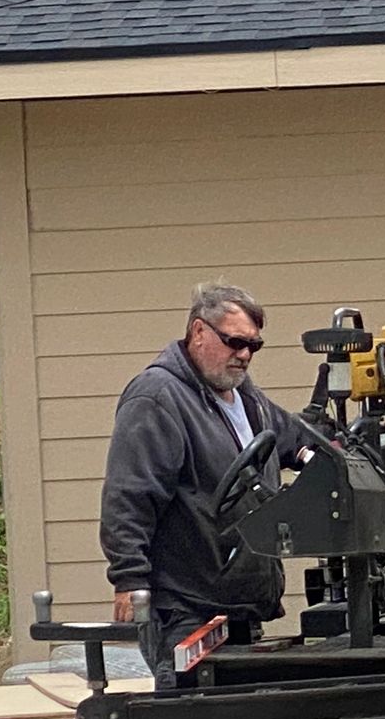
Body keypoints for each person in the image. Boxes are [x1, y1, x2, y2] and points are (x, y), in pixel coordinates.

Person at [100, 283, 312, 685]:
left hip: (240, 607)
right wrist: (129, 578)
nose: (244, 355)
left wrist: (336, 446)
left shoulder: (247, 399)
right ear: (199, 332)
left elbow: (296, 438)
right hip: (187, 610)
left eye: (254, 345)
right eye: (234, 342)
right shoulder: (158, 398)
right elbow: (130, 494)